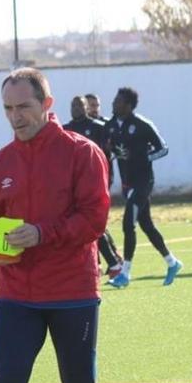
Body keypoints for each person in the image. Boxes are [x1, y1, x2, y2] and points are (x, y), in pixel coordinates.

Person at [0, 68, 110, 383]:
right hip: (16, 295)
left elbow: (94, 219)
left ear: (47, 105)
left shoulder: (82, 153)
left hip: (73, 293)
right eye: (8, 108)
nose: (16, 116)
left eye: (24, 107)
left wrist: (41, 233)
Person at [105, 87, 182, 288]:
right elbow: (110, 149)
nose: (114, 103)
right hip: (127, 183)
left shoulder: (142, 125)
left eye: (118, 101)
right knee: (147, 225)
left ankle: (125, 274)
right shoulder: (111, 125)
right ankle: (172, 263)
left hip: (143, 182)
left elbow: (163, 148)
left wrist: (143, 158)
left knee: (127, 223)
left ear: (128, 106)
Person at [64, 95, 123, 279]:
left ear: (86, 108)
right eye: (73, 105)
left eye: (79, 105)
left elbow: (110, 152)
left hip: (95, 182)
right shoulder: (65, 130)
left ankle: (111, 262)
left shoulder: (98, 127)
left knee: (91, 222)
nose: (76, 109)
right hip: (72, 184)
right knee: (85, 224)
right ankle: (101, 263)